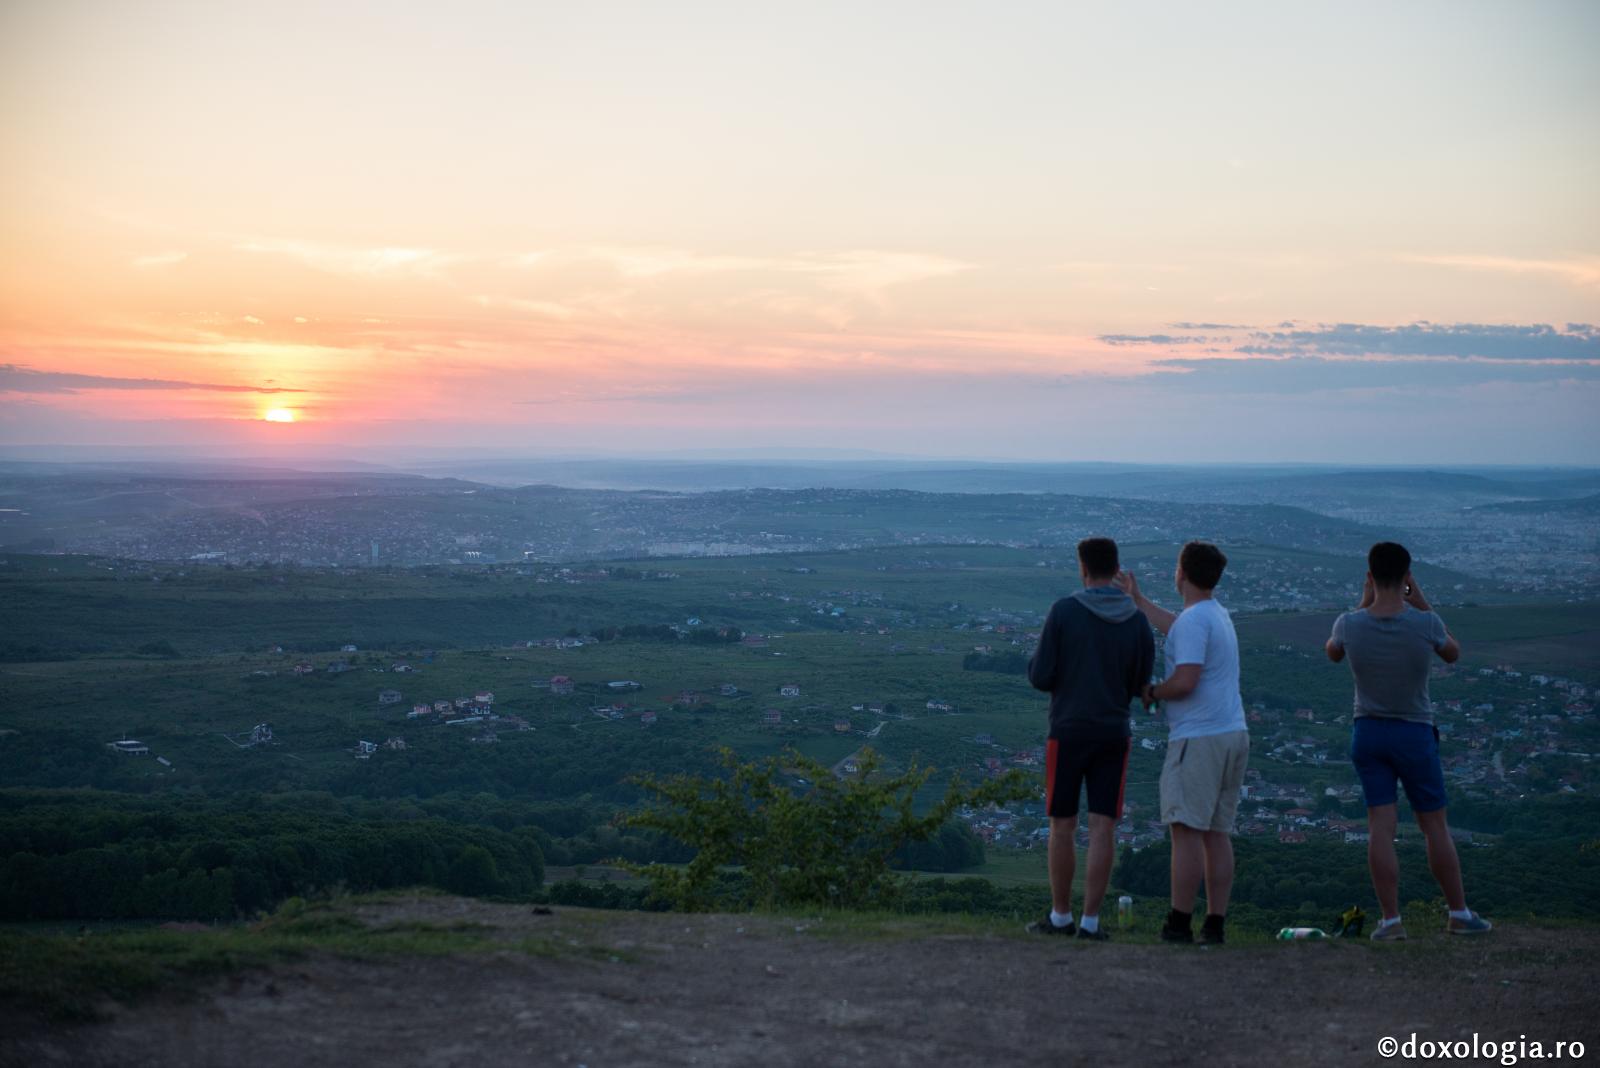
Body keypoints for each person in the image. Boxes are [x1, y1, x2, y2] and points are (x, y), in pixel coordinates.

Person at [1326, 541, 1492, 940]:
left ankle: (1391, 921)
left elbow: (1332, 653)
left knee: (1380, 827)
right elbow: (1453, 652)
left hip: (1367, 731)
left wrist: (1362, 600)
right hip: (1413, 733)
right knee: (1435, 826)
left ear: (1369, 576)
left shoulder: (1348, 624)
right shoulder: (1426, 623)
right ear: (1406, 577)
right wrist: (1421, 601)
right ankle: (1458, 913)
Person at [1117, 541, 1249, 945]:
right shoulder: (1216, 615)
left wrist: (1154, 691)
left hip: (1199, 738)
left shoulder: (1195, 621)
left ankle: (1178, 924)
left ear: (1182, 573)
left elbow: (1187, 679)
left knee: (1186, 831)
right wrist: (1140, 601)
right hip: (1233, 733)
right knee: (1217, 832)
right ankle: (1215, 924)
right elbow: (1178, 628)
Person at [1025, 537, 1155, 940]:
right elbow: (1140, 685)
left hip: (1066, 731)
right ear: (1116, 571)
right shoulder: (1137, 621)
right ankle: (1091, 922)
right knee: (1104, 827)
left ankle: (1060, 916)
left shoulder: (1064, 612)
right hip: (1113, 733)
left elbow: (1040, 676)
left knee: (1062, 825)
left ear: (1083, 569)